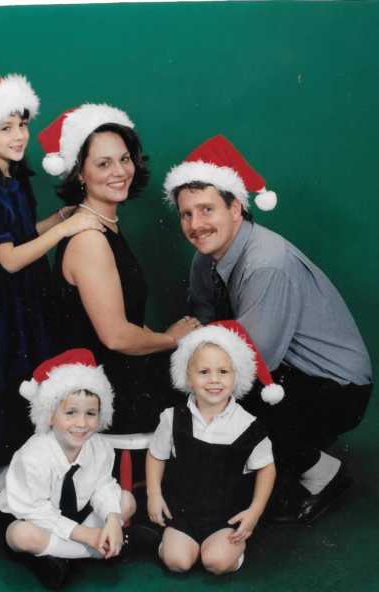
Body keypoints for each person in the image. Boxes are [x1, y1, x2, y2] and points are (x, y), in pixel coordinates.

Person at [163, 134, 373, 524]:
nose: (196, 224)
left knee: (223, 388)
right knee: (205, 379)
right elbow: (204, 326)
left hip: (337, 388)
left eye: (207, 210)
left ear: (237, 207)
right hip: (289, 373)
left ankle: (323, 472)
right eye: (186, 214)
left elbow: (252, 361)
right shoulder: (204, 260)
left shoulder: (266, 263)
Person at [0, 72, 104, 477]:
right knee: (5, 388)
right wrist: (65, 231)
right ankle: (9, 490)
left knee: (33, 380)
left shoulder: (15, 179)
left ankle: (37, 478)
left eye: (23, 125)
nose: (19, 136)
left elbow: (25, 234)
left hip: (26, 296)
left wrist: (60, 218)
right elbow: (10, 259)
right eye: (5, 127)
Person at [38, 103, 199, 435]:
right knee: (214, 383)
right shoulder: (90, 238)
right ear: (79, 173)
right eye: (103, 163)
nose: (119, 171)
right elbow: (114, 337)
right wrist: (170, 339)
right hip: (107, 394)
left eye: (124, 159)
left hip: (122, 374)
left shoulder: (102, 222)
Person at [0, 348, 135, 589]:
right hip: (33, 515)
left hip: (77, 514)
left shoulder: (99, 447)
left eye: (91, 413)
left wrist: (112, 518)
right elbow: (37, 510)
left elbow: (103, 485)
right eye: (71, 413)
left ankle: (64, 555)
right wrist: (86, 535)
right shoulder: (34, 456)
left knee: (126, 502)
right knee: (20, 535)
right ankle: (97, 551)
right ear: (49, 415)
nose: (81, 423)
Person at [146, 321, 276, 574]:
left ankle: (226, 552)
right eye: (203, 372)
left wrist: (255, 512)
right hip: (182, 512)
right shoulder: (172, 418)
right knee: (177, 562)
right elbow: (156, 455)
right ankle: (175, 544)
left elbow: (267, 469)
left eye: (223, 372)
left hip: (226, 517)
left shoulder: (248, 425)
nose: (214, 380)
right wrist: (154, 494)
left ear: (236, 375)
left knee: (216, 562)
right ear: (188, 377)